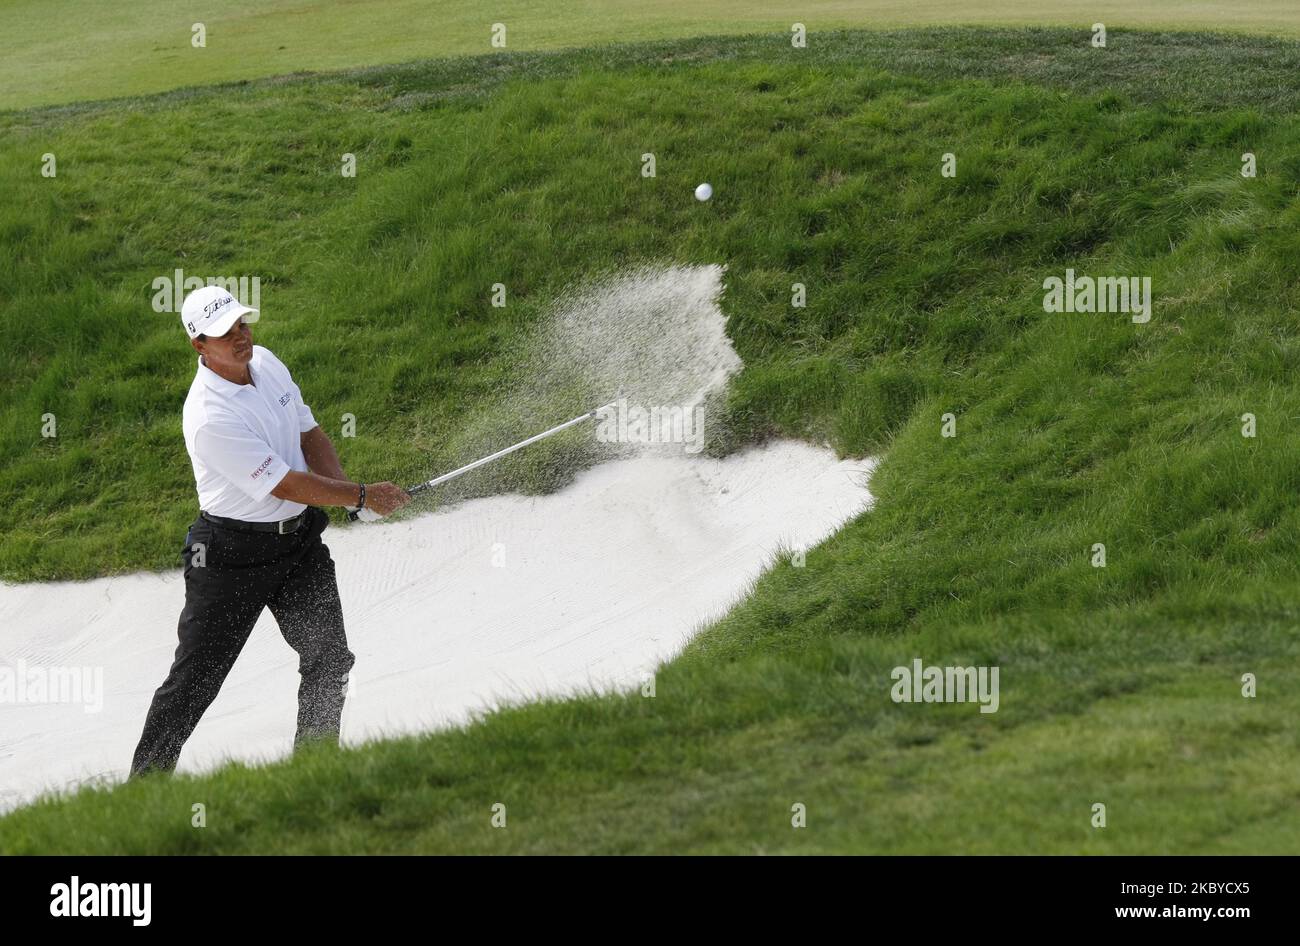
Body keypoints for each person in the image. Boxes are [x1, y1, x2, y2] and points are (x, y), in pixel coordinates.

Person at [130, 285, 410, 776]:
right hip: (229, 556)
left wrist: (346, 493)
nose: (240, 337)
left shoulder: (269, 363)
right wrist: (362, 496)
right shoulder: (209, 416)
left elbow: (310, 434)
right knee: (196, 680)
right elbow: (284, 481)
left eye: (242, 324)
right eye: (224, 333)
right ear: (199, 345)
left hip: (296, 545)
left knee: (329, 658)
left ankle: (314, 771)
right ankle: (143, 792)